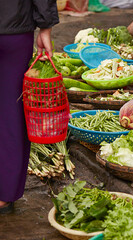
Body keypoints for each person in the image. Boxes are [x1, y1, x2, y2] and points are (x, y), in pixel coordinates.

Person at [0, 0, 59, 214]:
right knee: (10, 112)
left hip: (13, 27)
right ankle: (4, 195)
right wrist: (46, 25)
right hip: (13, 25)